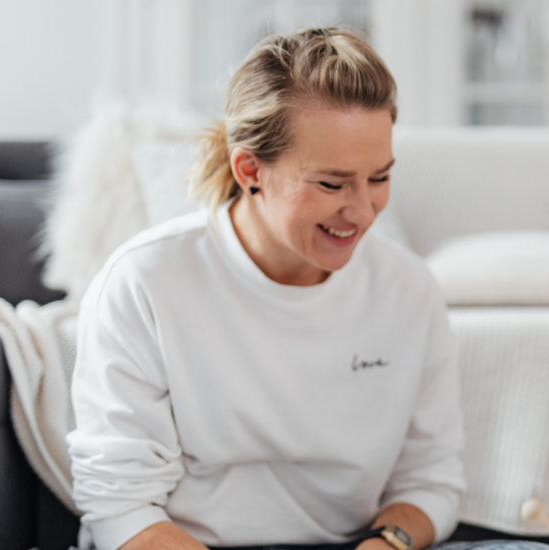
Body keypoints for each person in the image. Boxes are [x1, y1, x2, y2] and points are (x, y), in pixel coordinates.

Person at [67, 28, 465, 550]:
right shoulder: (143, 283)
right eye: (331, 183)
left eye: (380, 178)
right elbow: (120, 508)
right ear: (251, 170)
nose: (364, 212)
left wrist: (386, 542)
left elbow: (432, 482)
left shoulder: (408, 288)